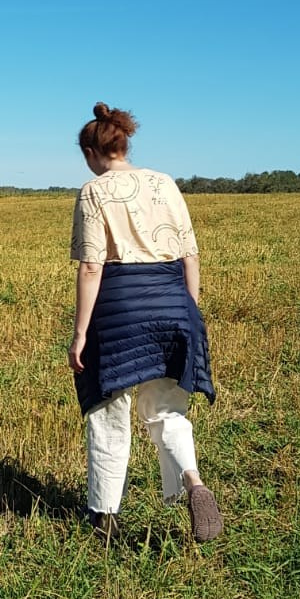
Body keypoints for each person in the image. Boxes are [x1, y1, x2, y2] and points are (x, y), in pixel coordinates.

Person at [68, 103, 222, 542]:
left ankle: (105, 517)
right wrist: (188, 310)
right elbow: (190, 253)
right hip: (175, 304)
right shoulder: (165, 183)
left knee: (107, 412)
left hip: (119, 312)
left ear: (91, 152)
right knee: (167, 411)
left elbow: (92, 266)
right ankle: (194, 481)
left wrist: (80, 333)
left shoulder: (93, 191)